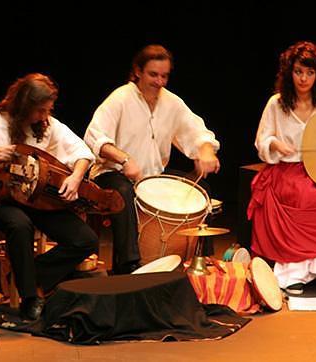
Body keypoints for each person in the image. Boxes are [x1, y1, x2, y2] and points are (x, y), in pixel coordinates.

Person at [0, 73, 98, 320]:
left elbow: (82, 152)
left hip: (37, 200)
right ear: (24, 106)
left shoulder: (46, 126)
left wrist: (76, 176)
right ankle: (30, 297)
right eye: (39, 111)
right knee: (19, 224)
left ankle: (25, 276)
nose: (45, 117)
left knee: (85, 240)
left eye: (48, 110)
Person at [84, 44, 220, 274]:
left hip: (151, 177)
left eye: (164, 76)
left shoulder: (172, 103)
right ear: (137, 71)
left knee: (200, 190)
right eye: (153, 75)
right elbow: (94, 137)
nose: (160, 82)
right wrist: (125, 159)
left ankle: (200, 259)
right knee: (124, 192)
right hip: (111, 175)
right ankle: (128, 266)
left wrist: (206, 151)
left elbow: (197, 132)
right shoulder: (120, 98)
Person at [247, 41, 316, 297]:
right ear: (289, 73)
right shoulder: (277, 103)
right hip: (288, 170)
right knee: (302, 194)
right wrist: (274, 143)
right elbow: (261, 140)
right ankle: (293, 275)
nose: (304, 78)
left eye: (310, 72)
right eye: (298, 72)